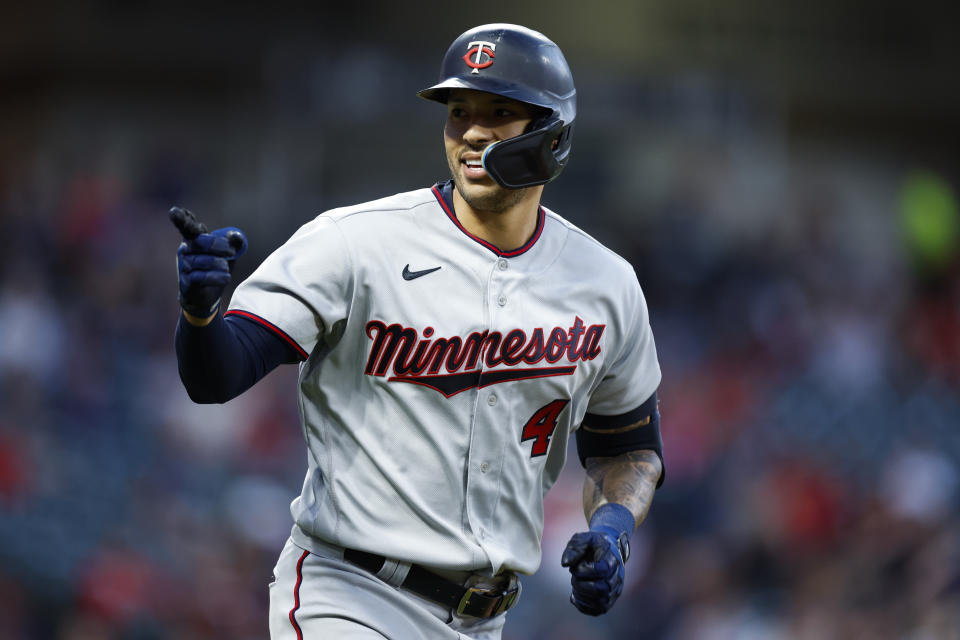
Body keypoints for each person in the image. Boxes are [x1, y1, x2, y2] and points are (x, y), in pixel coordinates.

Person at [171, 23, 664, 640]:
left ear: (554, 135)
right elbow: (217, 375)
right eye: (460, 112)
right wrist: (199, 313)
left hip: (485, 620)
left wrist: (613, 528)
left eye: (501, 112)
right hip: (350, 596)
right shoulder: (356, 242)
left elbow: (627, 448)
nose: (474, 131)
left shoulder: (607, 284)